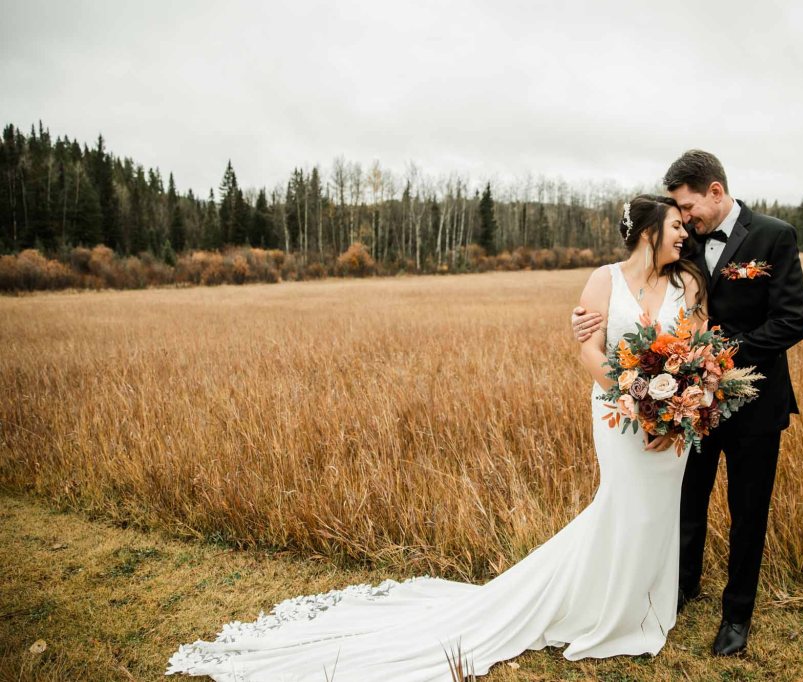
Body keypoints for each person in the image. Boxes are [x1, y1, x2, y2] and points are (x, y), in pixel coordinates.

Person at [167, 195, 707, 681]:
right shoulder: (602, 280)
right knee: (620, 503)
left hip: (673, 422)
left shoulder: (687, 284)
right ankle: (607, 612)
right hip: (618, 412)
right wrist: (634, 397)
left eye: (686, 227)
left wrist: (674, 408)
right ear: (646, 231)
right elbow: (588, 349)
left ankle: (647, 608)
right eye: (676, 226)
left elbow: (699, 349)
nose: (684, 234)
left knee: (658, 509)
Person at [572, 150, 803, 656]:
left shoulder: (774, 235)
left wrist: (710, 357)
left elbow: (792, 322)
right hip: (686, 405)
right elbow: (639, 292)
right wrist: (584, 325)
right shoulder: (683, 240)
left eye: (688, 207)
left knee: (750, 512)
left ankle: (737, 616)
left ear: (715, 193)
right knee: (685, 505)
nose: (685, 221)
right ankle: (679, 591)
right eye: (677, 214)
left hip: (754, 402)